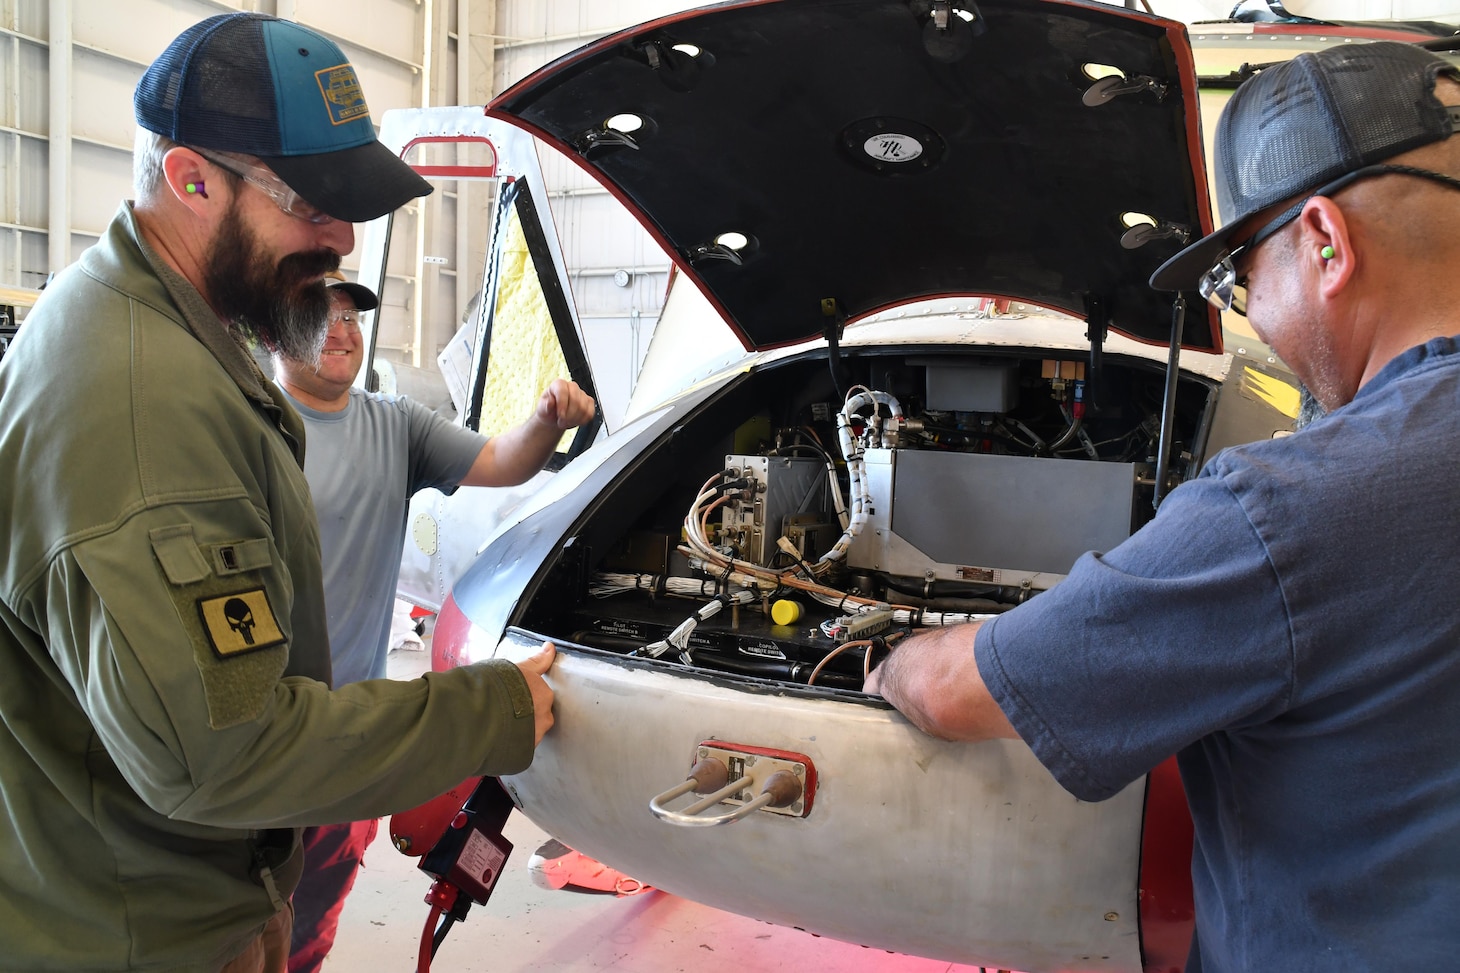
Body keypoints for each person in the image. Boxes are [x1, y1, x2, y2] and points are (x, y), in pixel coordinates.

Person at [866, 41, 1460, 971]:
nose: (1249, 314)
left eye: (1239, 280)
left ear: (1326, 243)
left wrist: (886, 657)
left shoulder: (1287, 512)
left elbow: (956, 692)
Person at [0, 13, 558, 972]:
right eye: (311, 200)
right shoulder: (141, 407)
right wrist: (491, 709)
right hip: (142, 930)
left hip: (189, 882)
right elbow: (228, 752)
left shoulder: (179, 329)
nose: (341, 238)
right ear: (192, 180)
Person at [273, 273, 596, 972]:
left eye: (352, 318)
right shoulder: (250, 426)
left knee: (312, 916)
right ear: (270, 330)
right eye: (319, 317)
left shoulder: (393, 424)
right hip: (262, 730)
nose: (343, 330)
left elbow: (499, 461)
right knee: (239, 919)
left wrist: (546, 419)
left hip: (349, 729)